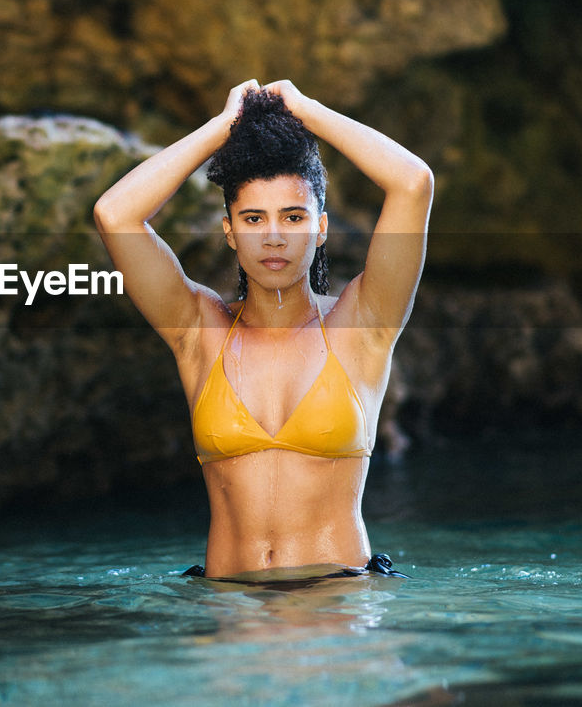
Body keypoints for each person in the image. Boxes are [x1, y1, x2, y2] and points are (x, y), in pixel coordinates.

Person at [94, 79, 433, 582]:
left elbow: (413, 182)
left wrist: (307, 109)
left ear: (320, 227)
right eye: (253, 218)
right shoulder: (197, 332)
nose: (273, 236)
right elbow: (115, 214)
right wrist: (220, 129)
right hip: (227, 605)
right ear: (229, 231)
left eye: (293, 217)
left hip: (336, 607)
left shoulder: (361, 325)